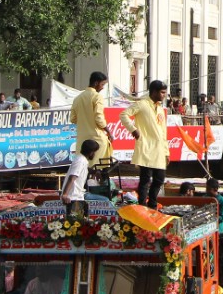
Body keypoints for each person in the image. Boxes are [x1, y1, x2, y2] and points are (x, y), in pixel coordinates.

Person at [121, 81, 170, 209]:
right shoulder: (142, 104)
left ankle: (152, 204)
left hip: (159, 150)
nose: (164, 95)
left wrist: (166, 152)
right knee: (145, 180)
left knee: (159, 179)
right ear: (154, 92)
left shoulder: (160, 109)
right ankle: (142, 205)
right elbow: (124, 115)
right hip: (146, 148)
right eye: (162, 92)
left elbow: (164, 132)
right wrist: (133, 129)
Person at [71, 72, 114, 160]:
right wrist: (109, 132)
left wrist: (85, 120)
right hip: (96, 140)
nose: (102, 88)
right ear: (95, 83)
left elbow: (73, 119)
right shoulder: (97, 97)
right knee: (100, 168)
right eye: (102, 84)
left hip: (82, 140)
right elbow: (99, 118)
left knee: (83, 168)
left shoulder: (78, 98)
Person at [62, 140, 100, 217]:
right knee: (75, 223)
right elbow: (72, 178)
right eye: (94, 152)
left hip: (78, 196)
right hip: (73, 198)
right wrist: (65, 194)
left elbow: (83, 170)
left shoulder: (82, 160)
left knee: (80, 222)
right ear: (91, 152)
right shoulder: (80, 161)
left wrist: (93, 171)